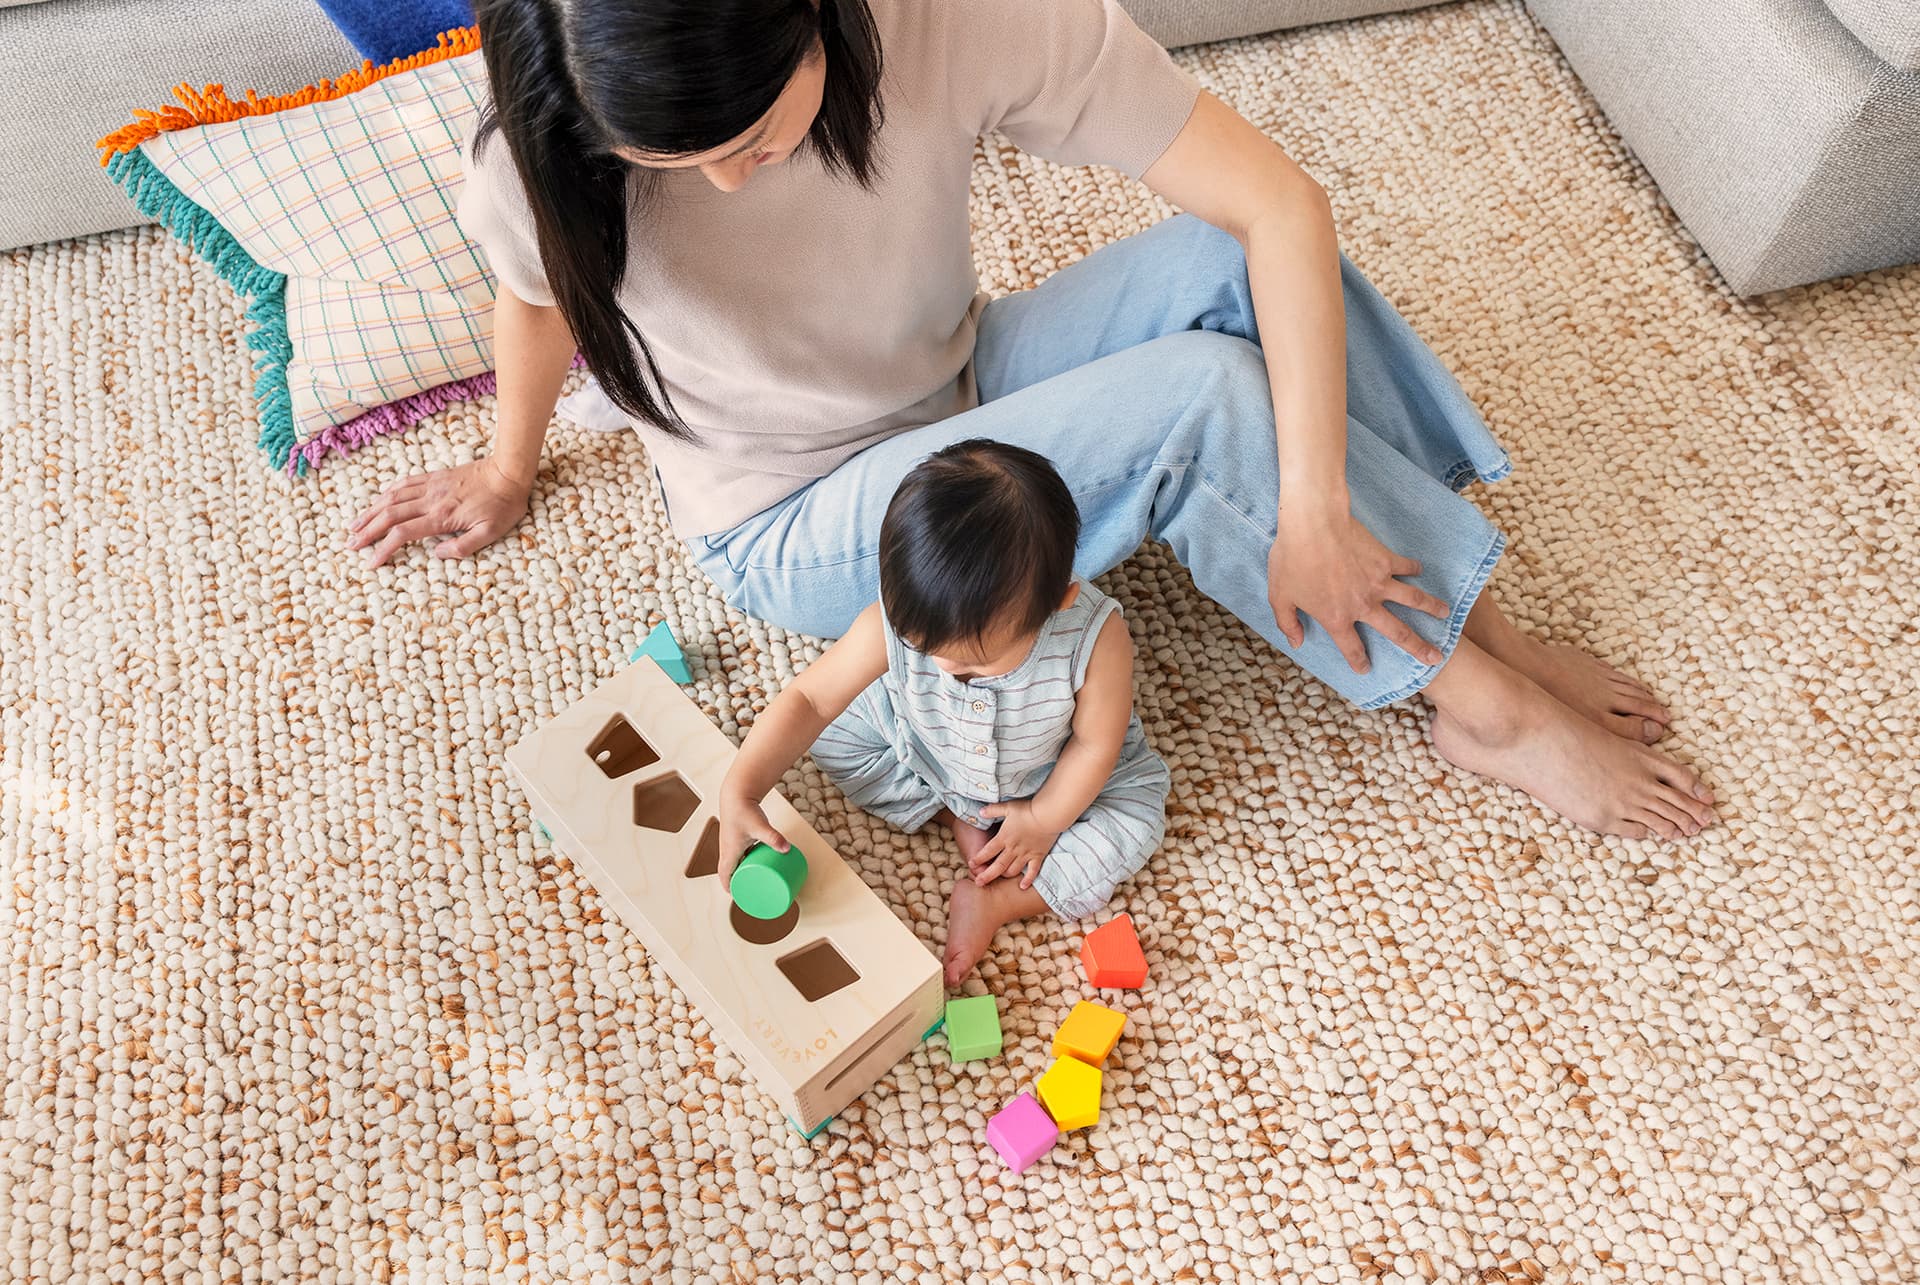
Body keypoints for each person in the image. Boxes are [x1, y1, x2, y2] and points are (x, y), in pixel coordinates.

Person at [347, 0, 1716, 842]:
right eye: (674, 163)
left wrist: (1310, 510)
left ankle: (1453, 602)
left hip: (954, 379)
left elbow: (1277, 204)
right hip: (794, 521)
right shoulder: (539, 153)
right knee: (1198, 401)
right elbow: (536, 308)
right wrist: (507, 463)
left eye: (752, 136)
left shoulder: (949, 10)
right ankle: (1475, 701)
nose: (725, 179)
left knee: (1221, 273)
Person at [716, 440, 1170, 983]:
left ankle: (997, 901)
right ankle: (956, 813)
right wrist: (740, 789)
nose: (944, 669)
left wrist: (1046, 818)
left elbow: (1097, 745)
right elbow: (810, 700)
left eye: (973, 664)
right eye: (923, 648)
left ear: (1056, 605)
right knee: (835, 737)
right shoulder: (896, 618)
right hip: (931, 750)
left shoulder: (1095, 638)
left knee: (1135, 823)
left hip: (1054, 778)